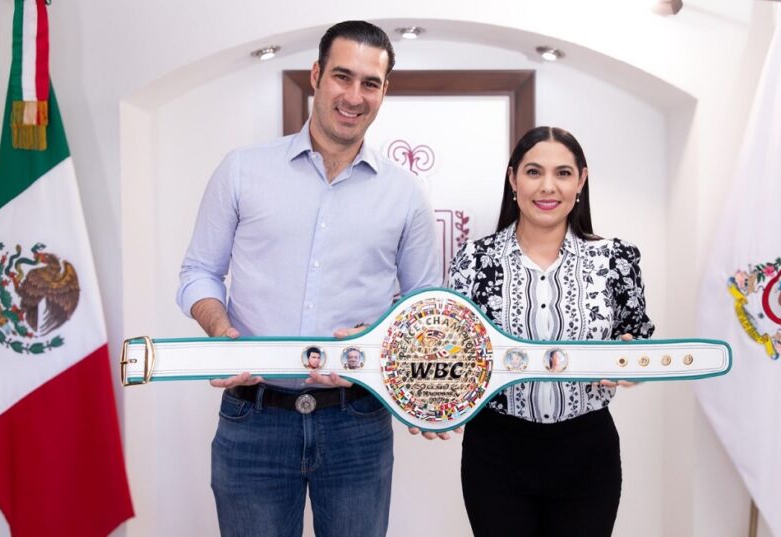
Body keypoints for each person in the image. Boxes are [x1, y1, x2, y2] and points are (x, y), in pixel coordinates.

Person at [176, 20, 441, 537]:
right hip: (254, 420)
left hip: (357, 424)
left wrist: (382, 349)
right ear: (316, 75)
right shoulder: (242, 170)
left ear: (384, 91)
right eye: (343, 76)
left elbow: (423, 311)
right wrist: (220, 329)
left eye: (370, 83)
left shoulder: (406, 195)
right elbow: (199, 273)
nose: (354, 96)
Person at [447, 126, 655, 537]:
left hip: (587, 453)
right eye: (533, 172)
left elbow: (636, 337)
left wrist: (632, 363)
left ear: (581, 180)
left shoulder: (615, 259)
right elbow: (452, 350)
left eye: (562, 173)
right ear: (513, 179)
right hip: (495, 451)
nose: (547, 186)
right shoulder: (474, 260)